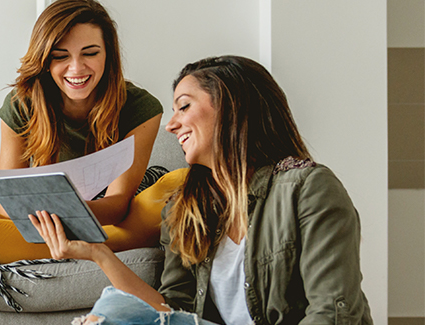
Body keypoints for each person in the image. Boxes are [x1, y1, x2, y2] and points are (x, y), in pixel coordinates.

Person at [29, 55, 373, 324]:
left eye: (184, 105)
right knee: (114, 309)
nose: (171, 124)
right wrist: (97, 253)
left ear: (229, 106)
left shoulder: (307, 190)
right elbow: (170, 312)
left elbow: (332, 313)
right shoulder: (185, 207)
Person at [0, 0, 180, 264]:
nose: (76, 68)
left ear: (108, 54)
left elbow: (118, 204)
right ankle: (97, 251)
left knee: (181, 182)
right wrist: (49, 219)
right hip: (43, 224)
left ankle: (78, 249)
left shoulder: (140, 106)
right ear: (44, 60)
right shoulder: (21, 104)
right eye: (60, 56)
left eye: (90, 53)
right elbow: (8, 202)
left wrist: (66, 212)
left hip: (111, 218)